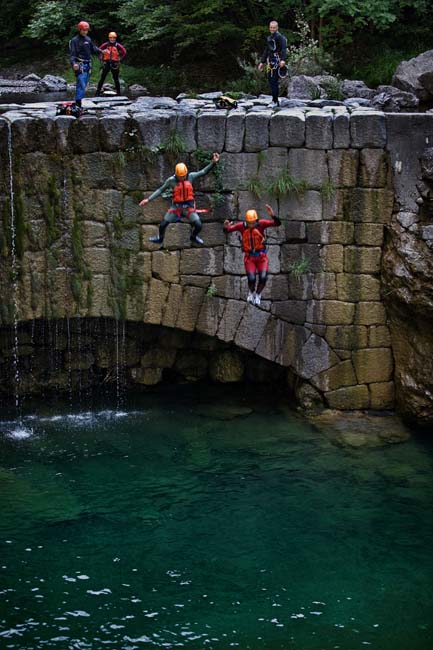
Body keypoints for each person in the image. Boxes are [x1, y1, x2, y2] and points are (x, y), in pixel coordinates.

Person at [139, 152, 220, 245]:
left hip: (188, 206)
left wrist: (213, 162)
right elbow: (161, 190)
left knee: (198, 225)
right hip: (176, 207)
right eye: (180, 176)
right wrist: (148, 199)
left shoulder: (191, 176)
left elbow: (203, 172)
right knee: (163, 225)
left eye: (184, 176)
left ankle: (193, 237)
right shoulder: (171, 181)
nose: (182, 178)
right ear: (176, 174)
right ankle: (160, 239)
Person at [223, 204, 281, 306]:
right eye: (249, 223)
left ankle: (258, 294)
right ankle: (251, 292)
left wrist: (273, 215)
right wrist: (225, 226)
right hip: (249, 257)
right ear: (246, 221)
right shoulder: (241, 226)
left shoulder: (261, 224)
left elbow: (277, 223)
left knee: (263, 277)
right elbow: (227, 230)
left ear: (256, 221)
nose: (251, 224)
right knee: (251, 278)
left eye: (253, 222)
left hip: (261, 256)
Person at [69, 21, 102, 109]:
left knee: (84, 85)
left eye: (86, 30)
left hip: (88, 65)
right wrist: (74, 63)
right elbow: (72, 55)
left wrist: (102, 51)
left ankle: (79, 103)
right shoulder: (74, 40)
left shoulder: (88, 39)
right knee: (81, 85)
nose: (85, 32)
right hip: (80, 65)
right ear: (80, 30)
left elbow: (93, 49)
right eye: (83, 30)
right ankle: (78, 104)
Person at [258, 20, 287, 107]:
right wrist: (262, 62)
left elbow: (284, 49)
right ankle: (275, 99)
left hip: (277, 62)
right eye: (271, 27)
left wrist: (283, 60)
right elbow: (266, 50)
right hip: (270, 62)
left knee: (274, 81)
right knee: (271, 81)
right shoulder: (269, 38)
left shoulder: (280, 37)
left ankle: (275, 101)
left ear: (277, 28)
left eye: (274, 27)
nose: (272, 29)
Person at [96, 32, 127, 96]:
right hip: (106, 63)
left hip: (115, 64)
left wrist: (120, 59)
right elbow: (98, 49)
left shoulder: (118, 45)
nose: (112, 39)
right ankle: (97, 92)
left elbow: (124, 52)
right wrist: (101, 58)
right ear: (109, 38)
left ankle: (118, 93)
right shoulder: (106, 45)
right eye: (111, 38)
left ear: (115, 38)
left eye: (113, 38)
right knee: (102, 78)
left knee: (116, 79)